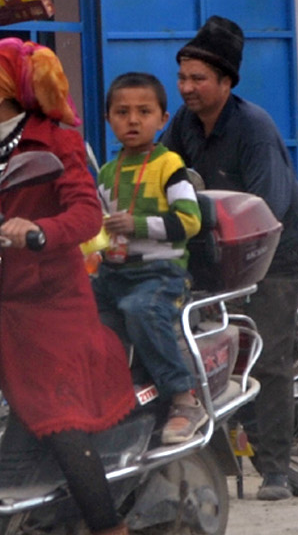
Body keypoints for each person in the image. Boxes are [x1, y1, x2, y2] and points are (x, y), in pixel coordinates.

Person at [0, 37, 135, 535]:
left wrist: (39, 231)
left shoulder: (58, 141)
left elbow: (87, 213)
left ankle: (109, 526)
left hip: (50, 306)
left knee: (61, 421)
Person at [159, 15, 298, 502]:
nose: (186, 88)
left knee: (266, 355)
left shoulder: (254, 129)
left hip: (273, 252)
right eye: (182, 77)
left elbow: (269, 208)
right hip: (217, 251)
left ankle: (276, 472)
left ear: (226, 83)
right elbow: (163, 177)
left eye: (198, 79)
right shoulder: (182, 124)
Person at [93, 72, 205, 445]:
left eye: (144, 111)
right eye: (122, 112)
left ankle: (184, 399)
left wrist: (137, 224)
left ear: (163, 119)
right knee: (73, 313)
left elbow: (189, 220)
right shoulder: (106, 173)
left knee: (142, 310)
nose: (133, 120)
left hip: (160, 273)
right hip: (113, 272)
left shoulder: (169, 164)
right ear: (108, 118)